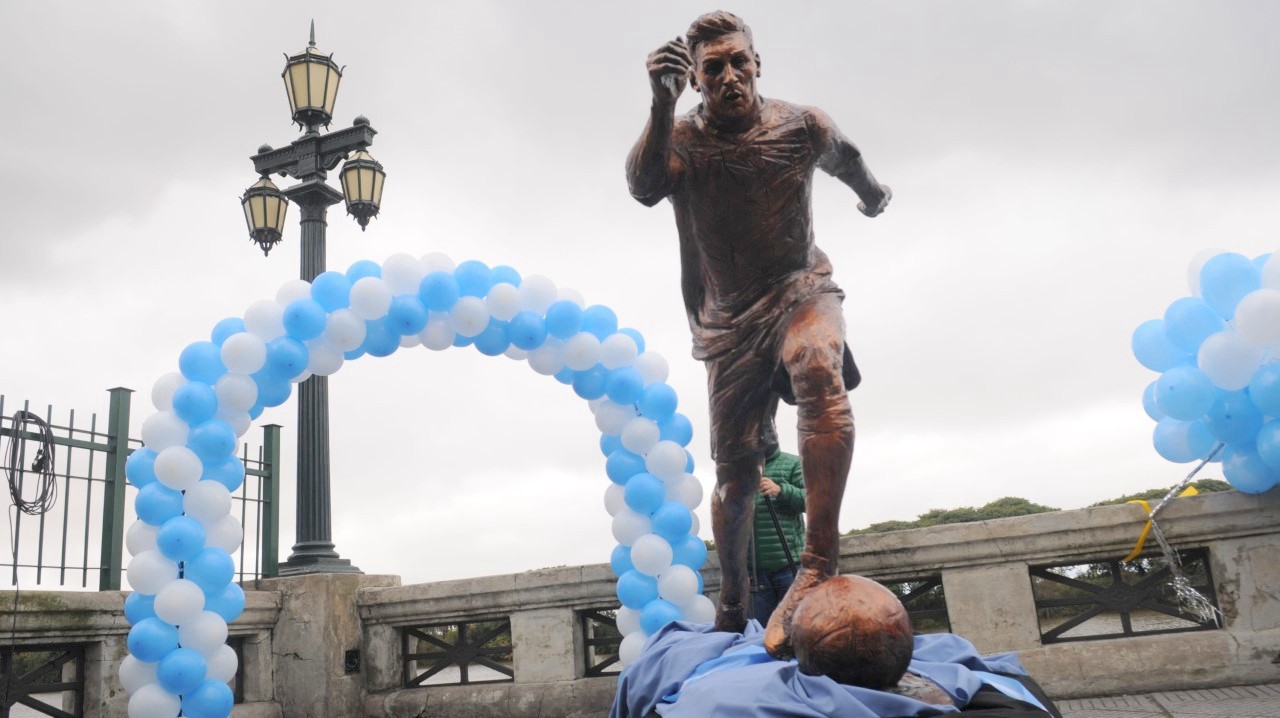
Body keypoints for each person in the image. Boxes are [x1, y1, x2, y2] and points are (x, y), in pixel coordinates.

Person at [625, 10, 891, 659]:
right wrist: (661, 106)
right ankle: (737, 596)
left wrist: (873, 194)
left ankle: (817, 564)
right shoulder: (682, 140)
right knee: (737, 477)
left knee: (819, 365)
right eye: (712, 68)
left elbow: (847, 156)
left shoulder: (802, 125)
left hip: (802, 288)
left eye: (738, 61)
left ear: (757, 62)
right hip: (730, 321)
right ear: (696, 79)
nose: (730, 76)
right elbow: (643, 185)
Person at [750, 449, 804, 625]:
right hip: (754, 571)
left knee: (794, 627)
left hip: (789, 566)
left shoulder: (793, 463)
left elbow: (813, 500)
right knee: (760, 632)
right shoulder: (739, 467)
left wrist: (781, 490)